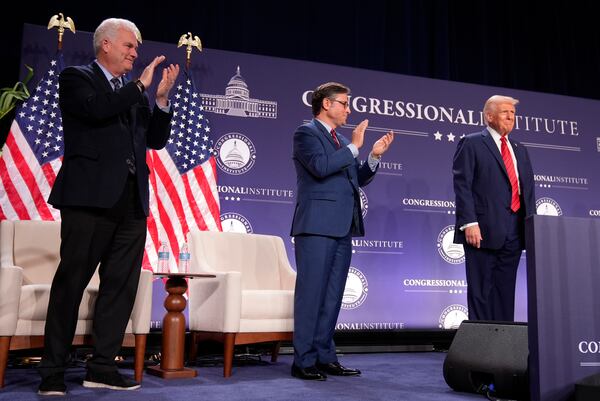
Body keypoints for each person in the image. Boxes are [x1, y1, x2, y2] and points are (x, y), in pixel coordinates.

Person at [37, 18, 179, 395]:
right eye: (129, 46)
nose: (135, 52)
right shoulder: (76, 79)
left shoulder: (133, 92)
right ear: (105, 45)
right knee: (71, 284)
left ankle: (101, 367)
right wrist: (140, 87)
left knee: (120, 287)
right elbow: (98, 110)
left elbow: (155, 140)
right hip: (88, 200)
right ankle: (51, 371)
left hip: (132, 202)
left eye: (135, 47)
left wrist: (161, 100)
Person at [290, 82, 394, 380]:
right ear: (326, 104)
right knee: (311, 295)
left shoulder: (341, 141)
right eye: (345, 104)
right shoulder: (306, 133)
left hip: (342, 227)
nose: (349, 109)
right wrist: (355, 146)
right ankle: (303, 361)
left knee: (333, 295)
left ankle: (325, 356)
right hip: (316, 226)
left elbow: (354, 179)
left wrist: (373, 156)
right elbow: (321, 167)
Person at [452, 95, 535, 322]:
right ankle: (480, 353)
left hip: (515, 231)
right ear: (489, 116)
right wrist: (469, 222)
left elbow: (527, 191)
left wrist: (530, 228)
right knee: (481, 292)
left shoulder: (520, 149)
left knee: (505, 292)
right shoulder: (472, 142)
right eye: (505, 112)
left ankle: (502, 351)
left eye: (513, 113)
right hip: (482, 230)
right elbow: (463, 185)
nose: (511, 116)